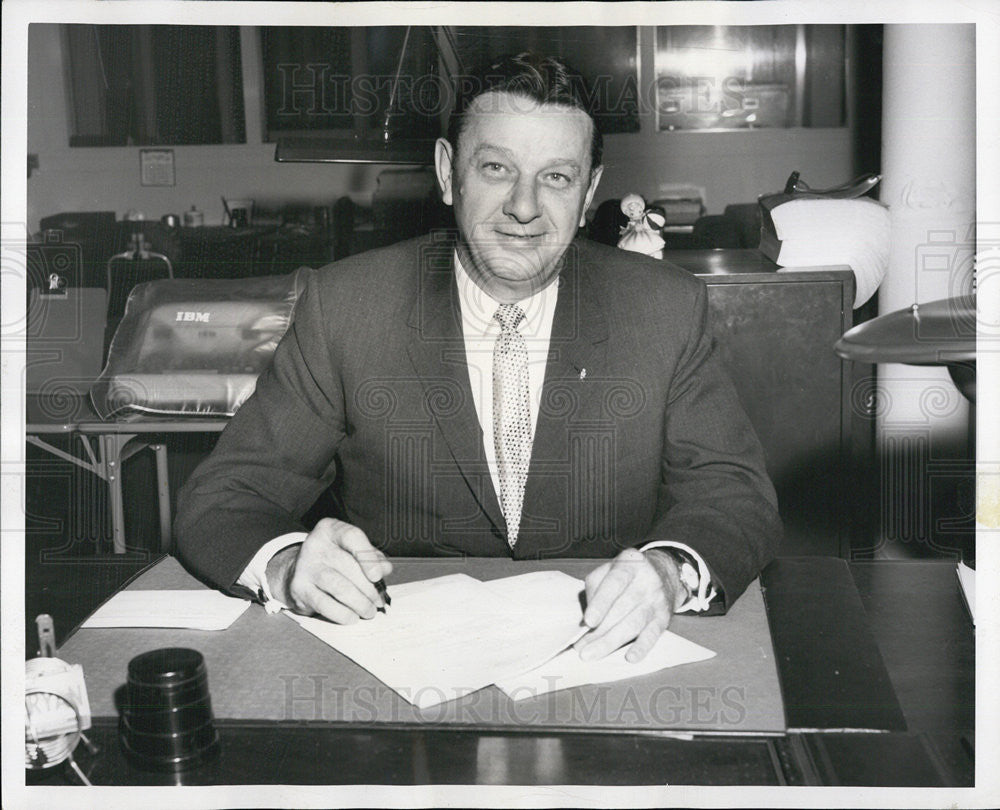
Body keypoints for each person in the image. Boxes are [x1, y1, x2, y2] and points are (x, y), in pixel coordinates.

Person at [176, 53, 781, 663]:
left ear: (590, 191)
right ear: (448, 173)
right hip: (402, 667)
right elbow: (226, 496)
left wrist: (668, 573)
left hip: (605, 661)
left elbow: (734, 493)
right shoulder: (347, 307)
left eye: (557, 178)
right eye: (496, 168)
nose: (524, 207)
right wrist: (288, 566)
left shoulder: (663, 308)